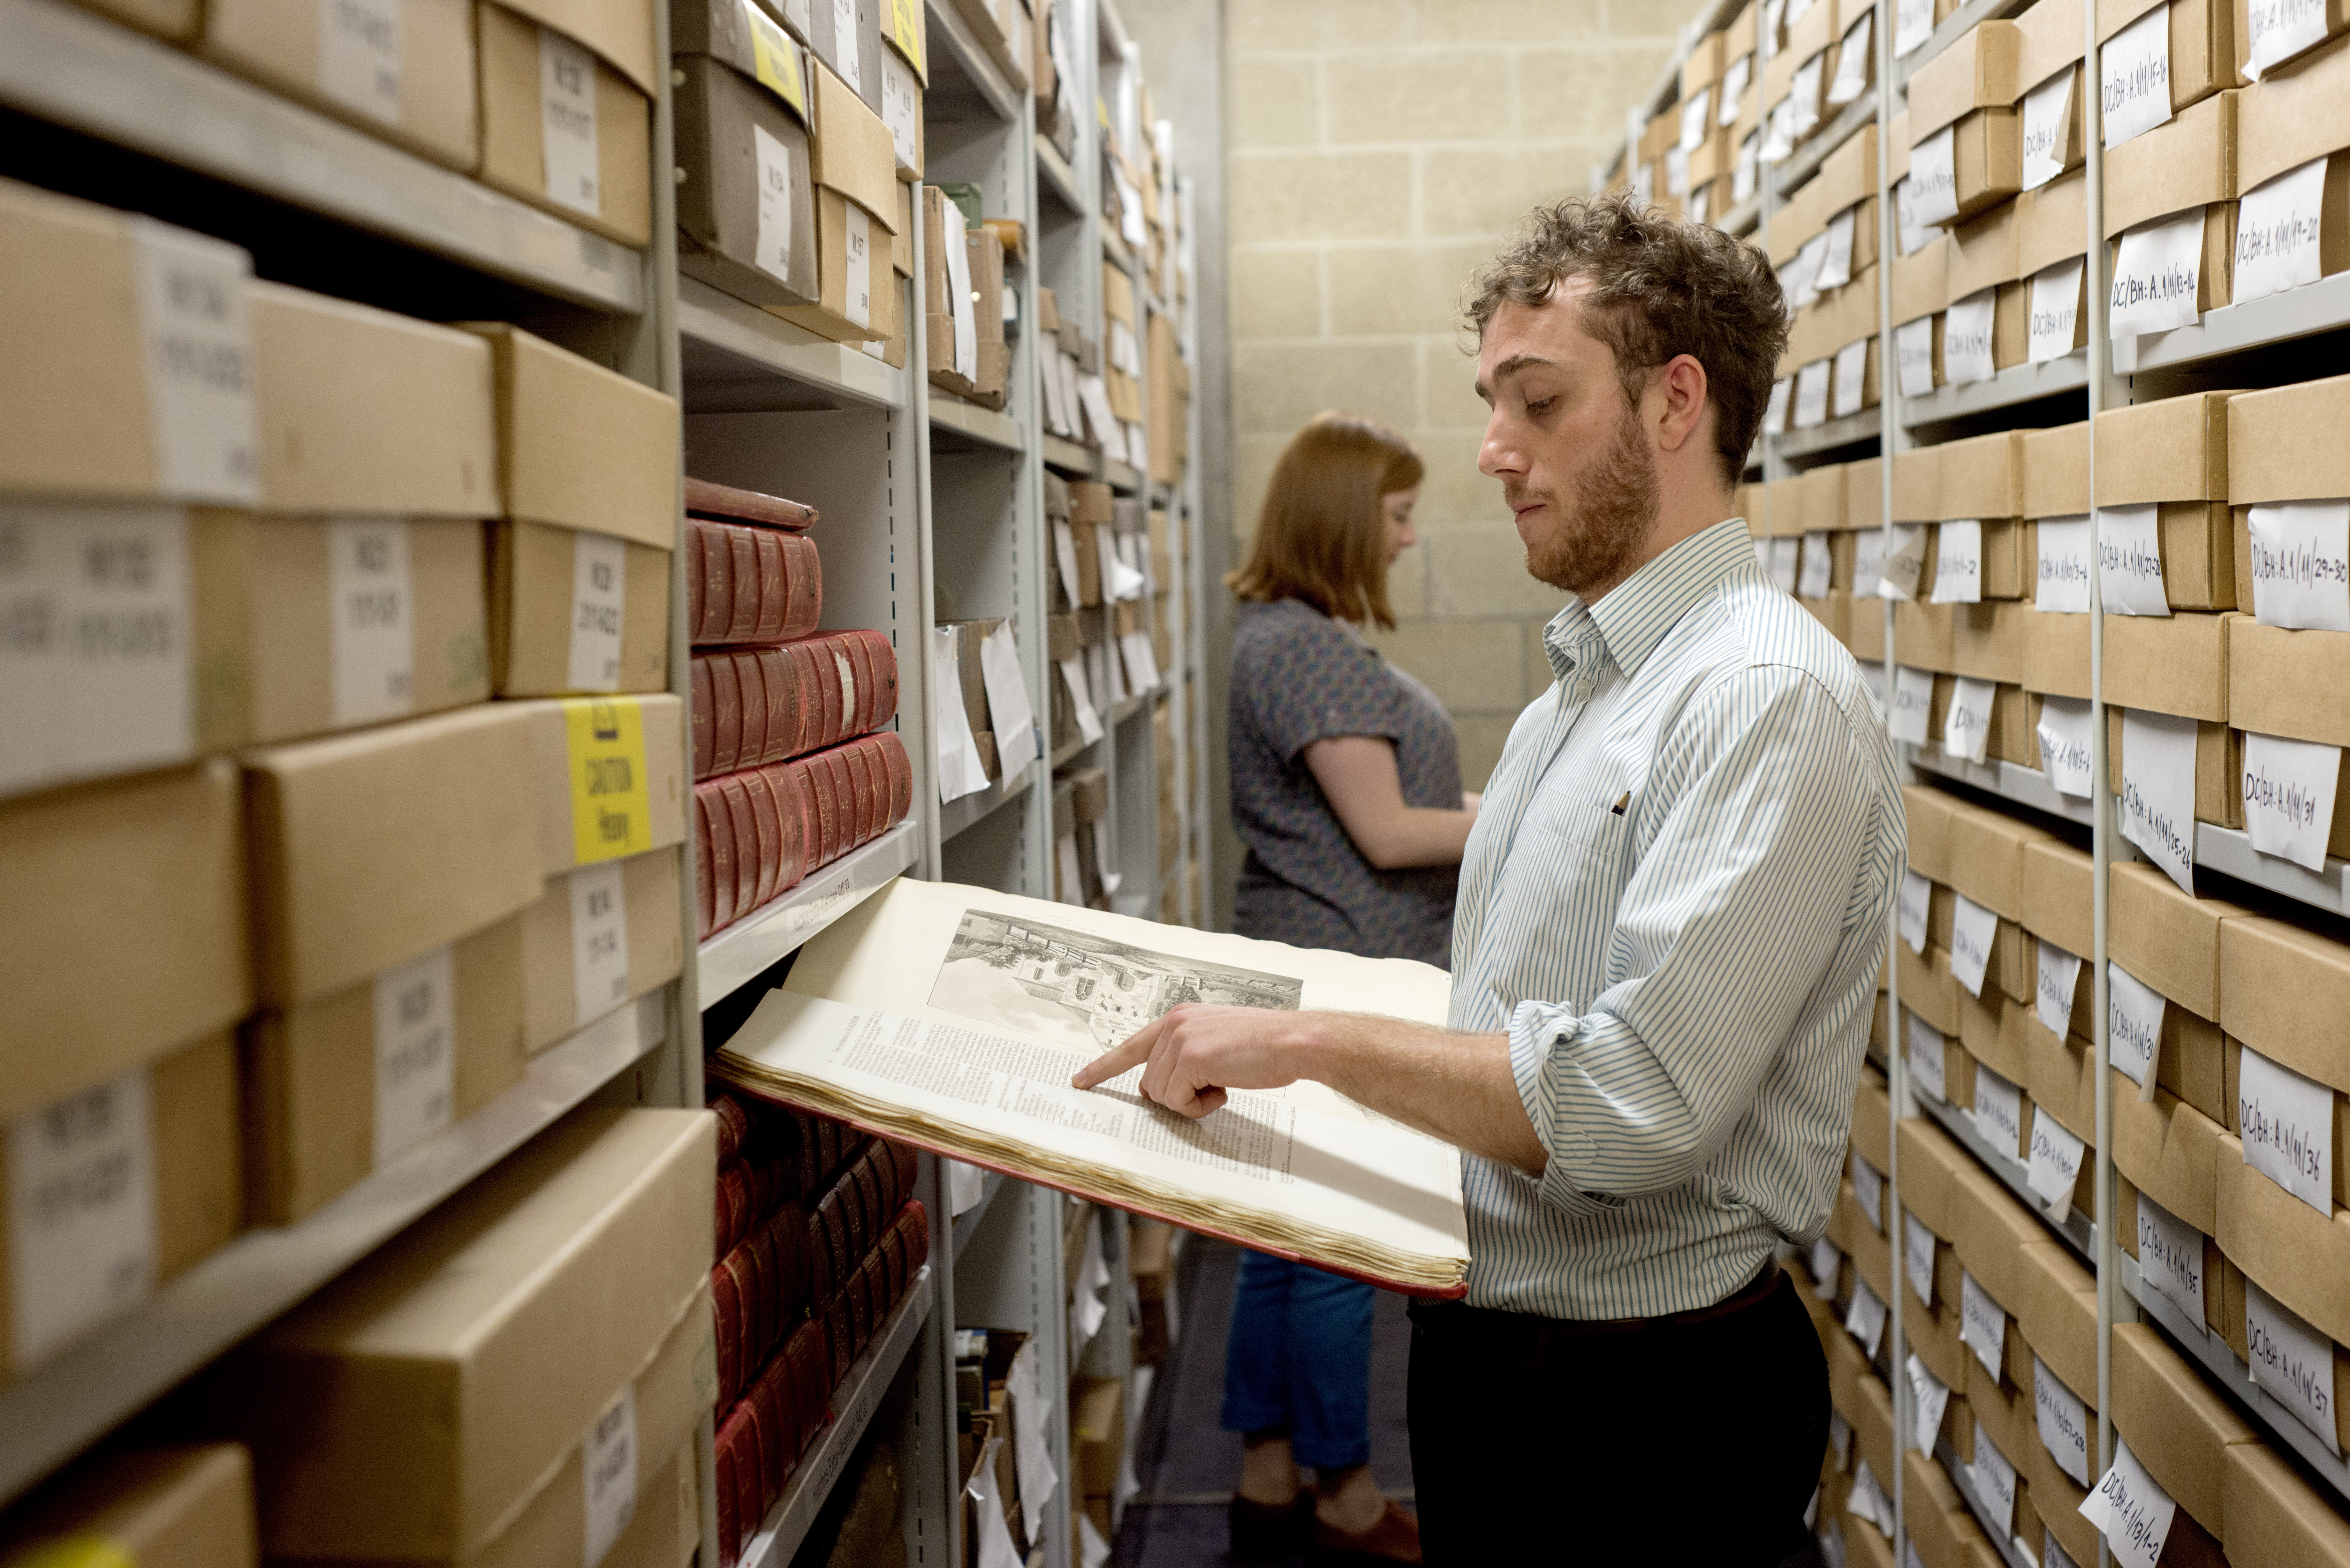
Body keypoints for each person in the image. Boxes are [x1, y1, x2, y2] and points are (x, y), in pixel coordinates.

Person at [1075, 194, 1902, 1565]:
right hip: (1503, 1354)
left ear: (1673, 403)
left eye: (1538, 400)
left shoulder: (1760, 694)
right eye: (1490, 401)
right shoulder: (1577, 694)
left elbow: (1635, 1104)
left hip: (1641, 1409)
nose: (1491, 450)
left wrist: (1309, 1045)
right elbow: (1508, 1011)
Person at [1216, 411, 1476, 1564]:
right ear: (1344, 519)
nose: (1410, 538)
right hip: (1347, 972)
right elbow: (1386, 834)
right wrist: (1514, 818)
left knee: (1280, 1240)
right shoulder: (1305, 649)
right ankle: (1349, 1495)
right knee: (1335, 1245)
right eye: (1400, 515)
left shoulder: (1277, 634)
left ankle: (1268, 1475)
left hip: (1309, 961)